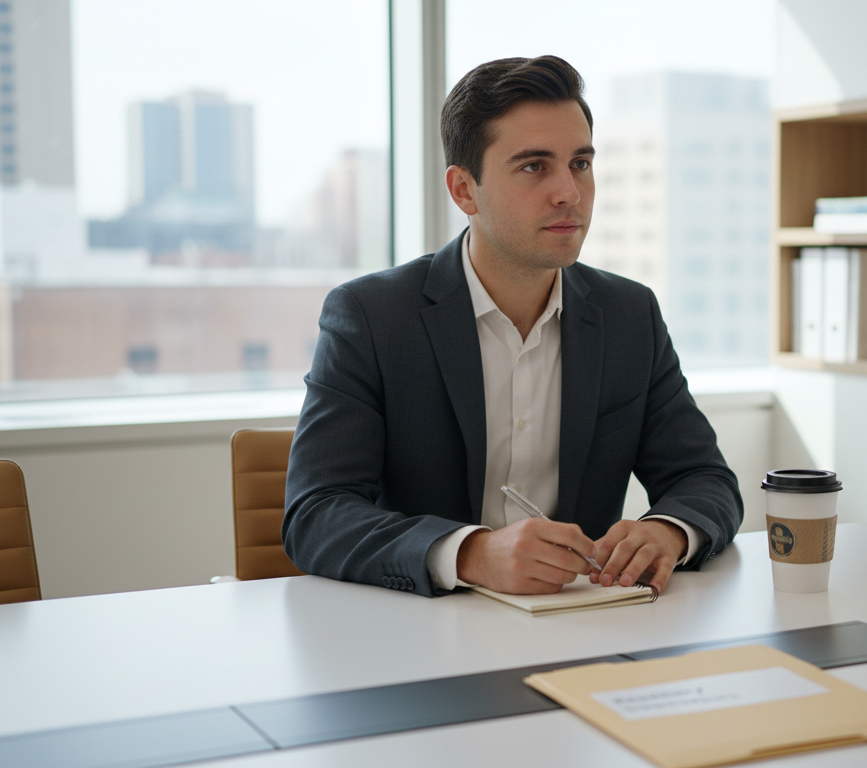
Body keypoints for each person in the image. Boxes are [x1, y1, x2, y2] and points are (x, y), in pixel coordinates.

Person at [283, 56, 742, 599]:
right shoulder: (371, 317)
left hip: (579, 628)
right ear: (464, 191)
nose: (569, 192)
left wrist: (666, 532)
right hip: (421, 638)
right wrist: (471, 554)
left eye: (580, 164)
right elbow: (315, 514)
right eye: (534, 166)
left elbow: (705, 480)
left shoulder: (628, 314)